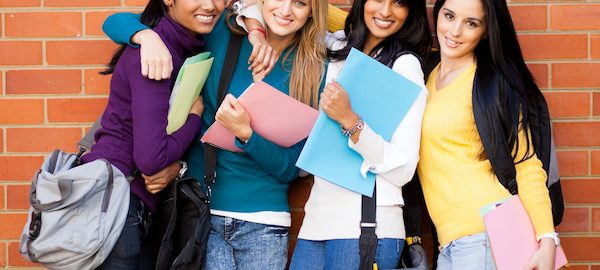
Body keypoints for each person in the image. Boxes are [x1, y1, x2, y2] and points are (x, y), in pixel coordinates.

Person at [101, 0, 329, 268]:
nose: (286, 10)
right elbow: (114, 22)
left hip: (263, 223)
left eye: (301, 3)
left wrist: (247, 136)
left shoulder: (314, 70)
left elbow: (292, 168)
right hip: (199, 216)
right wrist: (146, 37)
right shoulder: (223, 30)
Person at [79, 0, 230, 268]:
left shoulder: (179, 41)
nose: (210, 5)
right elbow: (151, 160)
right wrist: (195, 118)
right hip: (116, 204)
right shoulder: (155, 56)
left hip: (128, 203)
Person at [283, 0, 430, 268]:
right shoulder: (339, 48)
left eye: (398, 2)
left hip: (368, 226)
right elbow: (272, 9)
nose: (385, 11)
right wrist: (256, 32)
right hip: (316, 223)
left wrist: (351, 121)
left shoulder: (404, 66)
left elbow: (404, 170)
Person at [417, 0, 558, 269]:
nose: (455, 31)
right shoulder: (427, 72)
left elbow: (526, 164)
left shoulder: (490, 81)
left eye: (471, 23)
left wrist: (547, 237)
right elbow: (368, 25)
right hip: (449, 243)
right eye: (449, 16)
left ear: (486, 31)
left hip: (486, 237)